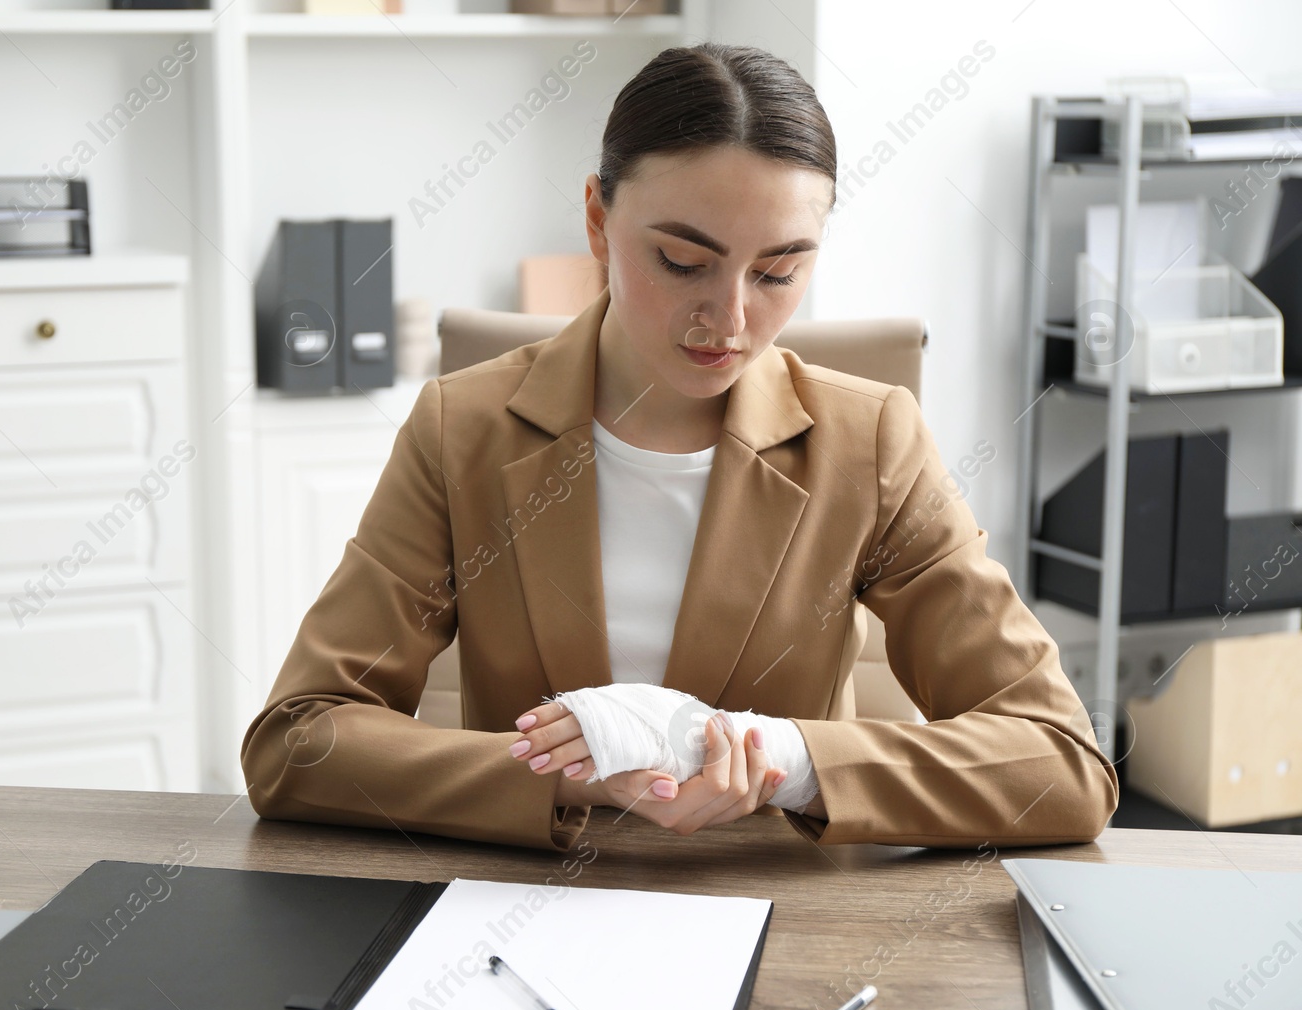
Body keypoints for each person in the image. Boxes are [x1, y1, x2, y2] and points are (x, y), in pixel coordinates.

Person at [240, 42, 1118, 852]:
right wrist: (562, 774)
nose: (730, 320)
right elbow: (296, 740)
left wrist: (789, 758)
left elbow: (1062, 761)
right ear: (597, 220)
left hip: (777, 910)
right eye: (681, 260)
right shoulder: (460, 429)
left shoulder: (870, 443)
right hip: (525, 904)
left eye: (778, 272)